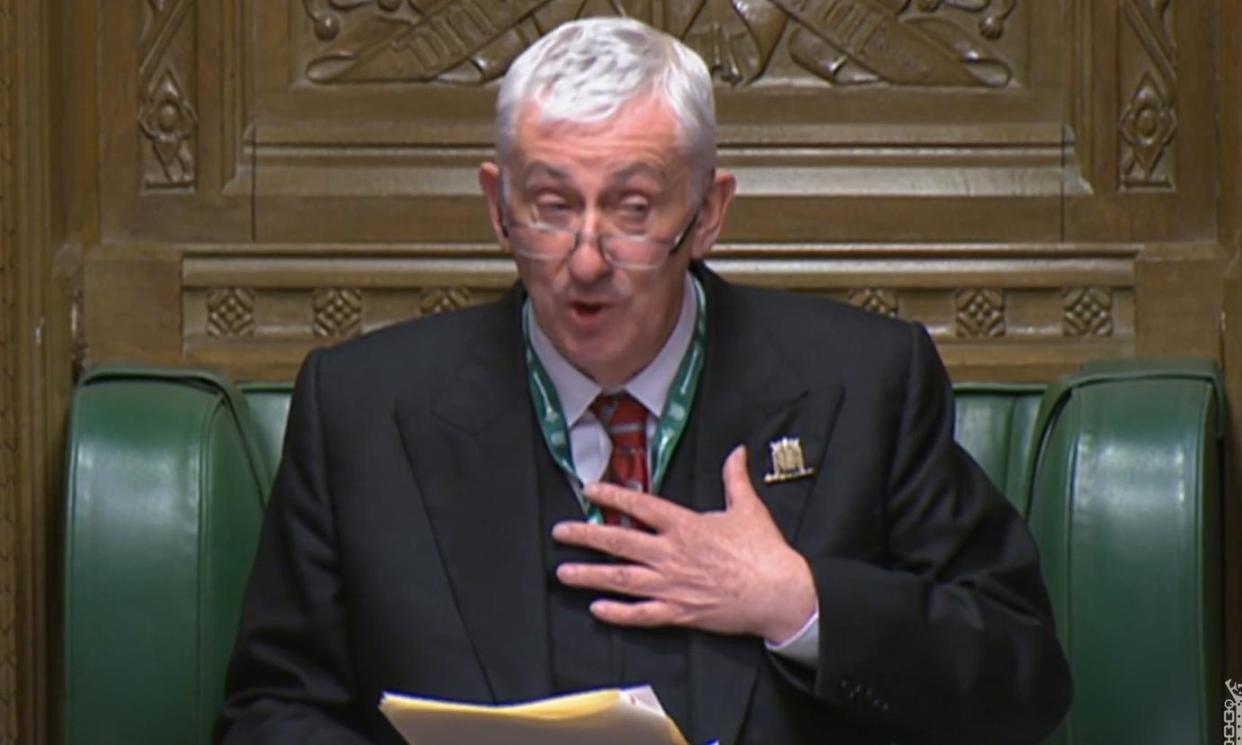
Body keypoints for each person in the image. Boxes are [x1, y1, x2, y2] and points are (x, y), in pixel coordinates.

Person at [215, 17, 1071, 745]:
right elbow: (272, 710)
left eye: (632, 209)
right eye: (551, 206)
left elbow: (1022, 678)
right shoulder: (362, 410)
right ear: (496, 206)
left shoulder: (865, 384)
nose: (586, 260)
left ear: (707, 213)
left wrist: (799, 603)